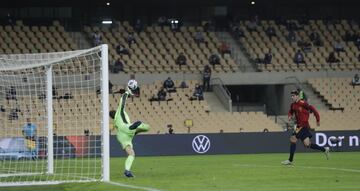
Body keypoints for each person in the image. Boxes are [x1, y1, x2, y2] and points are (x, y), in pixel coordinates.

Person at [109, 79, 150, 178]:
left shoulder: (115, 122)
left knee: (131, 154)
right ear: (115, 112)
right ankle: (136, 127)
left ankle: (127, 171)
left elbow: (113, 128)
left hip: (122, 136)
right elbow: (122, 102)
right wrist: (127, 92)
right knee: (145, 127)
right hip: (126, 128)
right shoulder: (119, 113)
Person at [281, 90, 329, 165]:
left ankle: (290, 160)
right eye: (291, 95)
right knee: (307, 144)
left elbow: (313, 109)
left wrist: (318, 119)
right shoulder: (293, 105)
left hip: (303, 125)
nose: (292, 97)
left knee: (293, 139)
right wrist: (289, 116)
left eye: (293, 96)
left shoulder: (303, 103)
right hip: (302, 126)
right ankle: (324, 149)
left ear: (297, 96)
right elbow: (290, 111)